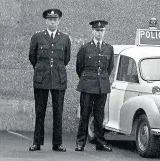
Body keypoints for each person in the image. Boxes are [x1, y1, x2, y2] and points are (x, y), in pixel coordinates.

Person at [28, 9, 71, 152]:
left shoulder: (65, 38)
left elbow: (66, 59)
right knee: (40, 111)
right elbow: (32, 57)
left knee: (58, 112)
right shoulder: (37, 37)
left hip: (58, 79)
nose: (52, 22)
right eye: (50, 19)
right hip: (42, 78)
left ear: (59, 21)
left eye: (55, 19)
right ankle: (37, 142)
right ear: (46, 21)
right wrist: (42, 69)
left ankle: (57, 143)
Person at [75, 20, 114, 152]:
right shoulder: (85, 48)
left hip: (102, 86)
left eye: (102, 31)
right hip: (87, 85)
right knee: (85, 114)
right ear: (92, 31)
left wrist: (101, 79)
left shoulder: (109, 48)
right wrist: (88, 79)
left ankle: (100, 143)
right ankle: (80, 142)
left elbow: (109, 68)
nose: (99, 33)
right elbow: (79, 67)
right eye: (97, 31)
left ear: (105, 32)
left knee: (99, 116)